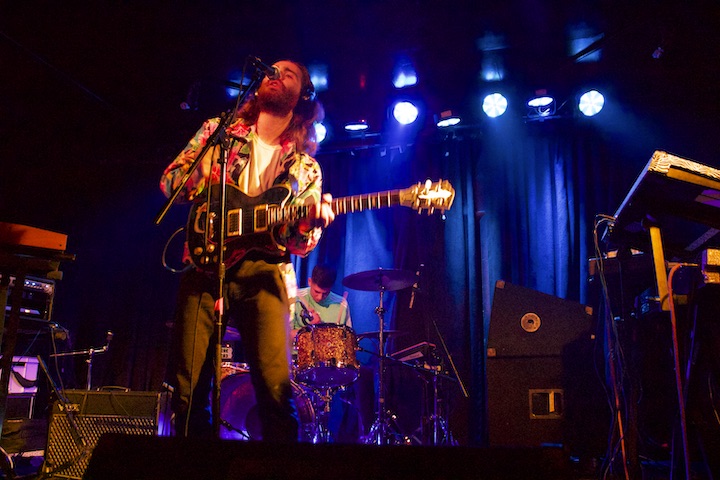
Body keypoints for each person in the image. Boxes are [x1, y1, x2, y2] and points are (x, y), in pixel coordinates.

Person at [160, 59, 334, 441]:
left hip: (265, 271)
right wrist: (201, 173)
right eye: (272, 70)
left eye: (288, 74)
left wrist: (309, 224)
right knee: (188, 390)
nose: (276, 75)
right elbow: (170, 183)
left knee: (276, 391)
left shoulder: (306, 168)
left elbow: (300, 246)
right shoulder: (218, 132)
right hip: (206, 263)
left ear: (302, 95)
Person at [290, 264, 351, 340]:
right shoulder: (295, 298)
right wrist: (309, 329)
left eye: (325, 293)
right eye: (316, 291)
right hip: (299, 347)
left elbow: (348, 338)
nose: (320, 297)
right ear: (309, 281)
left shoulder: (341, 303)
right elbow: (285, 334)